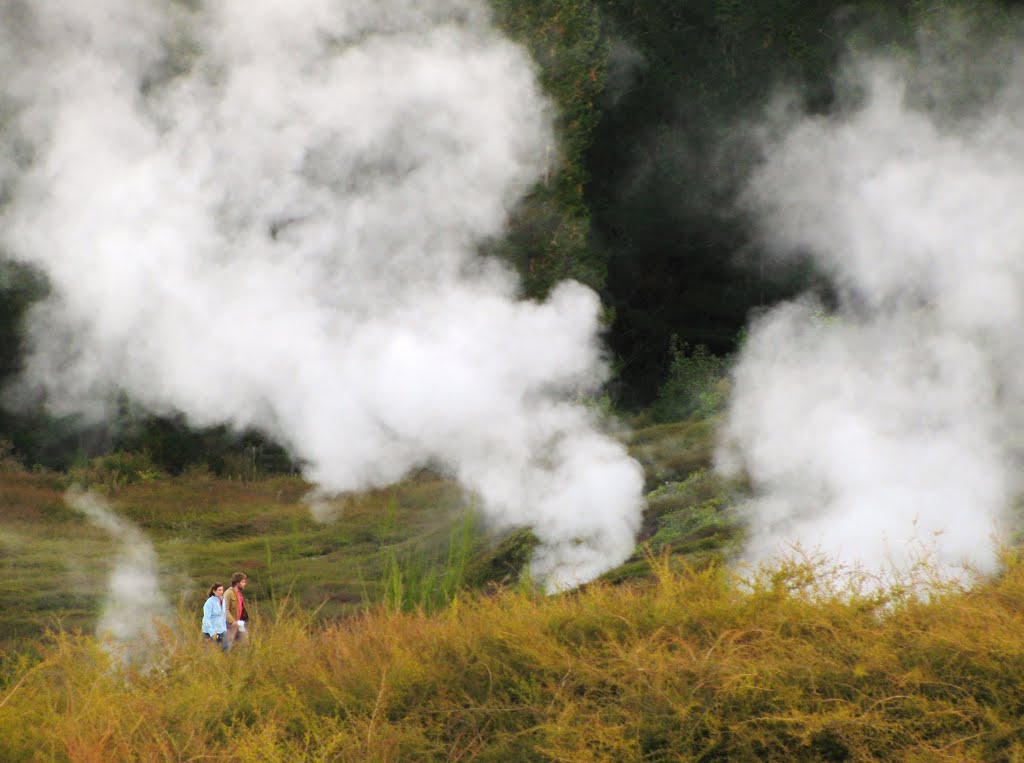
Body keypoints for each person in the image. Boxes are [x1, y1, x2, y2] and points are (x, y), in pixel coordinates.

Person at [224, 572, 249, 647]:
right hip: (229, 624)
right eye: (243, 582)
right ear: (238, 582)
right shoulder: (228, 593)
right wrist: (232, 622)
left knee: (245, 644)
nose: (245, 584)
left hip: (239, 624)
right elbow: (225, 610)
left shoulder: (239, 594)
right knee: (228, 646)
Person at [201, 582, 229, 651]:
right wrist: (212, 632)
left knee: (226, 648)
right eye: (219, 590)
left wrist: (224, 628)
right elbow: (206, 618)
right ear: (214, 591)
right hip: (210, 631)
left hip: (221, 630)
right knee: (210, 651)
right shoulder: (209, 602)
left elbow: (223, 616)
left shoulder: (223, 600)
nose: (221, 592)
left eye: (222, 590)